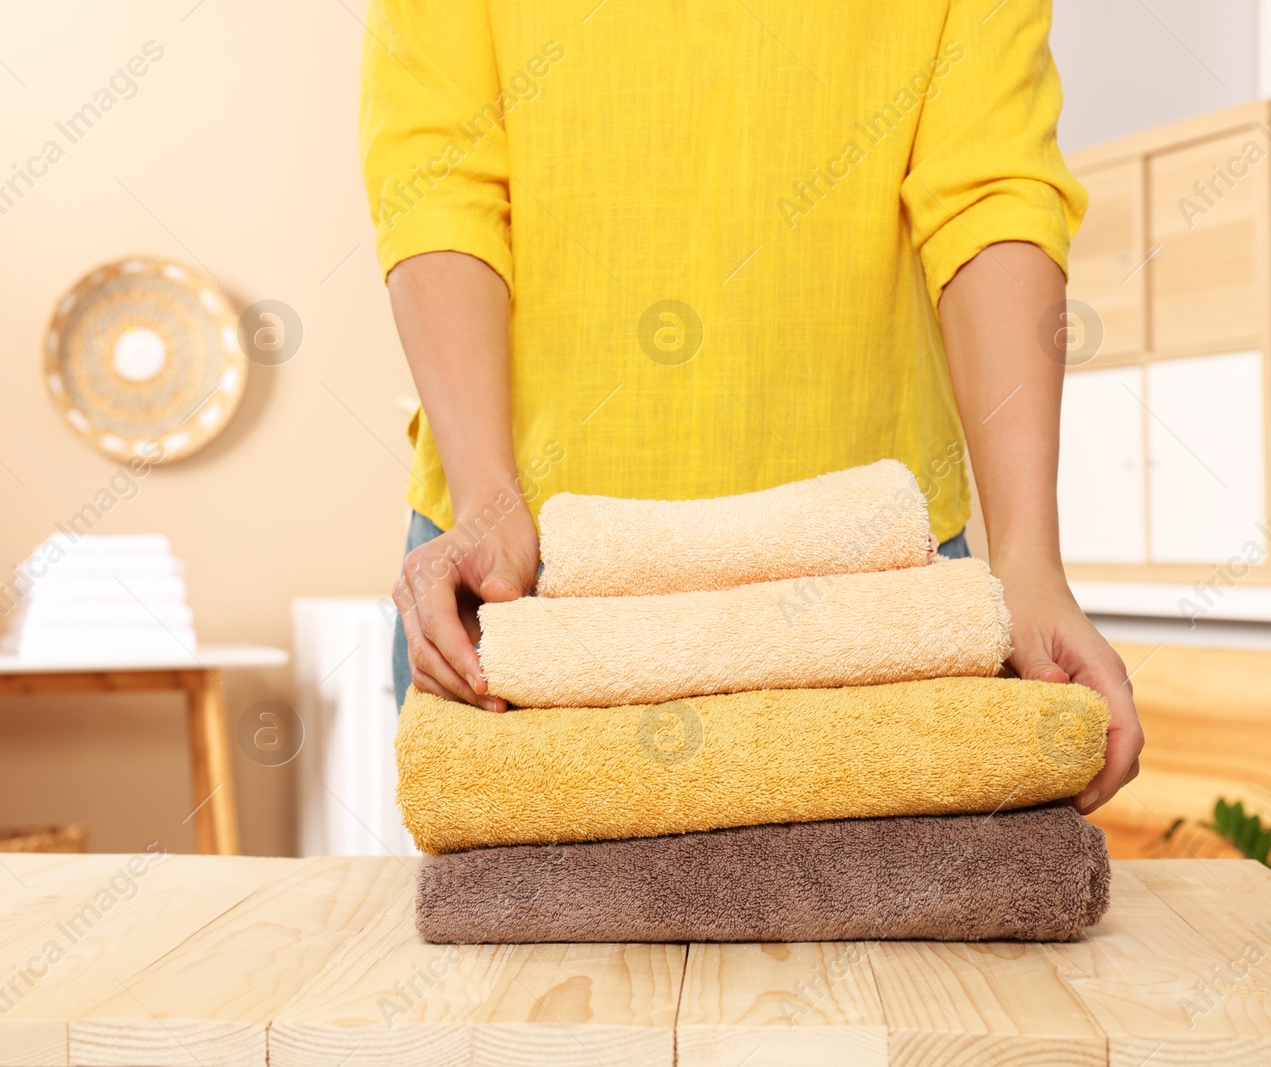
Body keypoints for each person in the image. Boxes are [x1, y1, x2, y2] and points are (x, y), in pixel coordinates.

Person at [360, 0, 1141, 814]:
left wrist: (1027, 557)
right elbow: (439, 180)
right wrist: (487, 499)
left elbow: (991, 192)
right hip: (524, 574)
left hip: (874, 588)